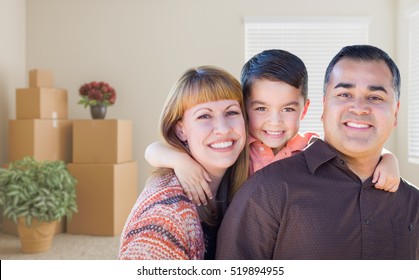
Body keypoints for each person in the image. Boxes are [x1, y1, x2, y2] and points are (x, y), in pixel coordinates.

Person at [215, 45, 419, 260]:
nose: (359, 108)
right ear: (323, 107)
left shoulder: (412, 203)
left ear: (396, 112)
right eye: (344, 94)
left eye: (375, 97)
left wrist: (388, 157)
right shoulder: (265, 186)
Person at [145, 49, 400, 206]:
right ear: (244, 108)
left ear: (305, 108)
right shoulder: (237, 148)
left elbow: (352, 155)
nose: (275, 122)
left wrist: (388, 159)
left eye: (288, 109)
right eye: (261, 108)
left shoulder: (311, 147)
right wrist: (181, 162)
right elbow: (153, 150)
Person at [118, 66, 248, 260]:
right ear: (181, 130)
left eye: (231, 112)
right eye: (204, 116)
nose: (222, 128)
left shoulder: (243, 177)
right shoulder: (165, 217)